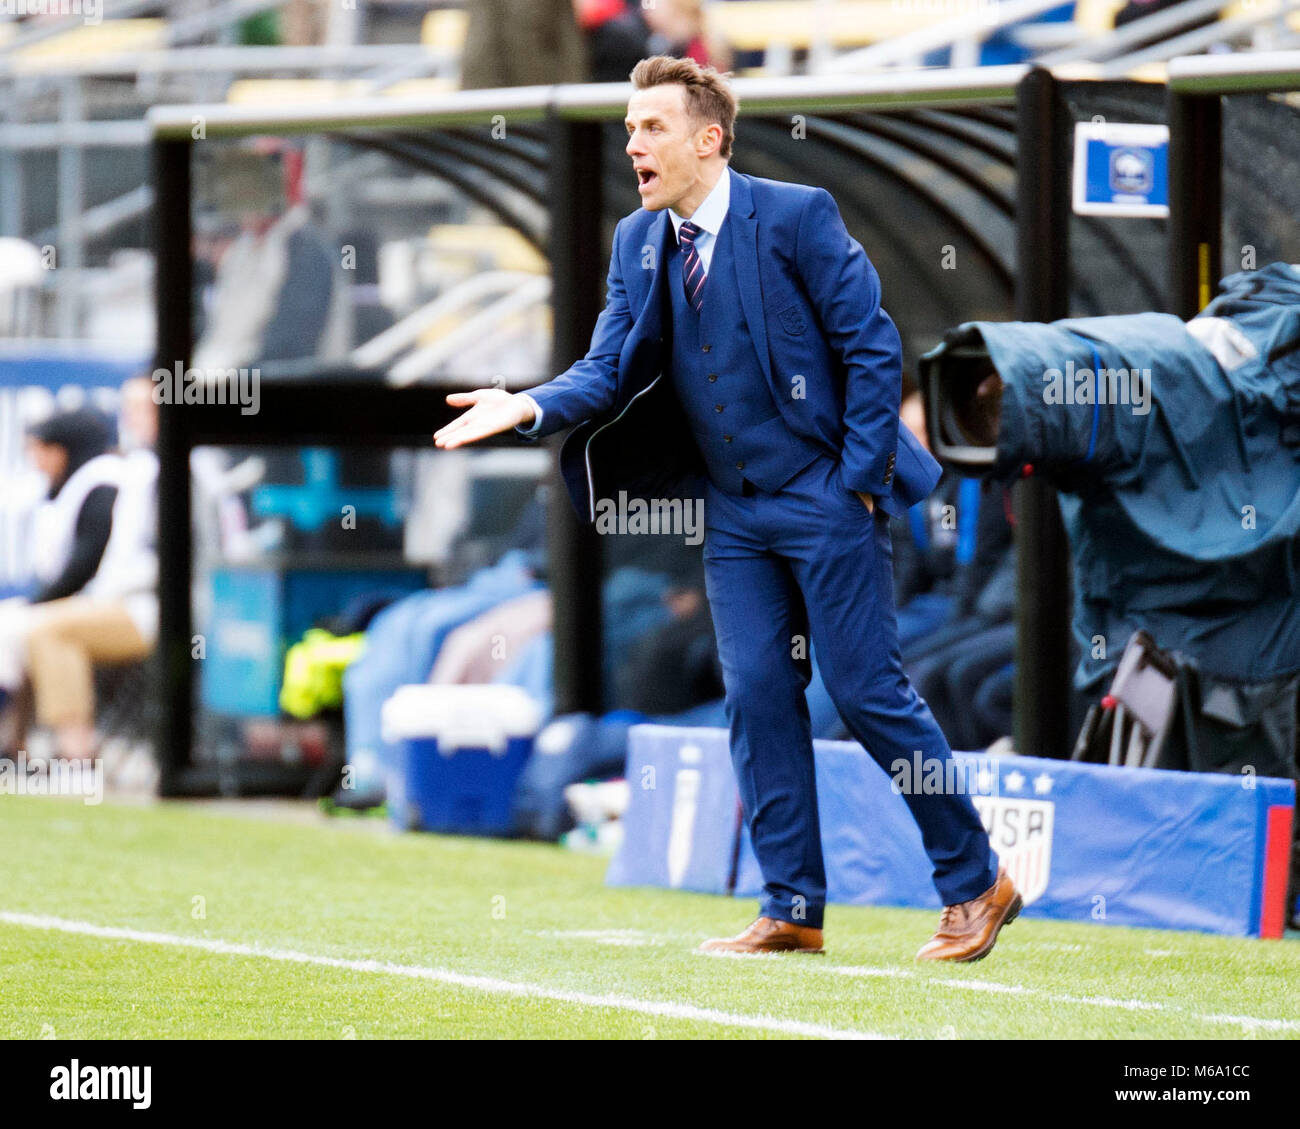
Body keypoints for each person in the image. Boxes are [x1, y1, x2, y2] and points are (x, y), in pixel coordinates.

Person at [432, 56, 1020, 961]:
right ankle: (791, 905)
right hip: (734, 514)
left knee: (865, 693)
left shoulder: (796, 216)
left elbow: (872, 346)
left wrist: (859, 482)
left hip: (827, 495)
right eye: (629, 129)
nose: (634, 143)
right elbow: (605, 366)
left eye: (652, 127)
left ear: (709, 139)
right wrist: (529, 404)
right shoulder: (637, 241)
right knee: (753, 693)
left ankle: (976, 879)